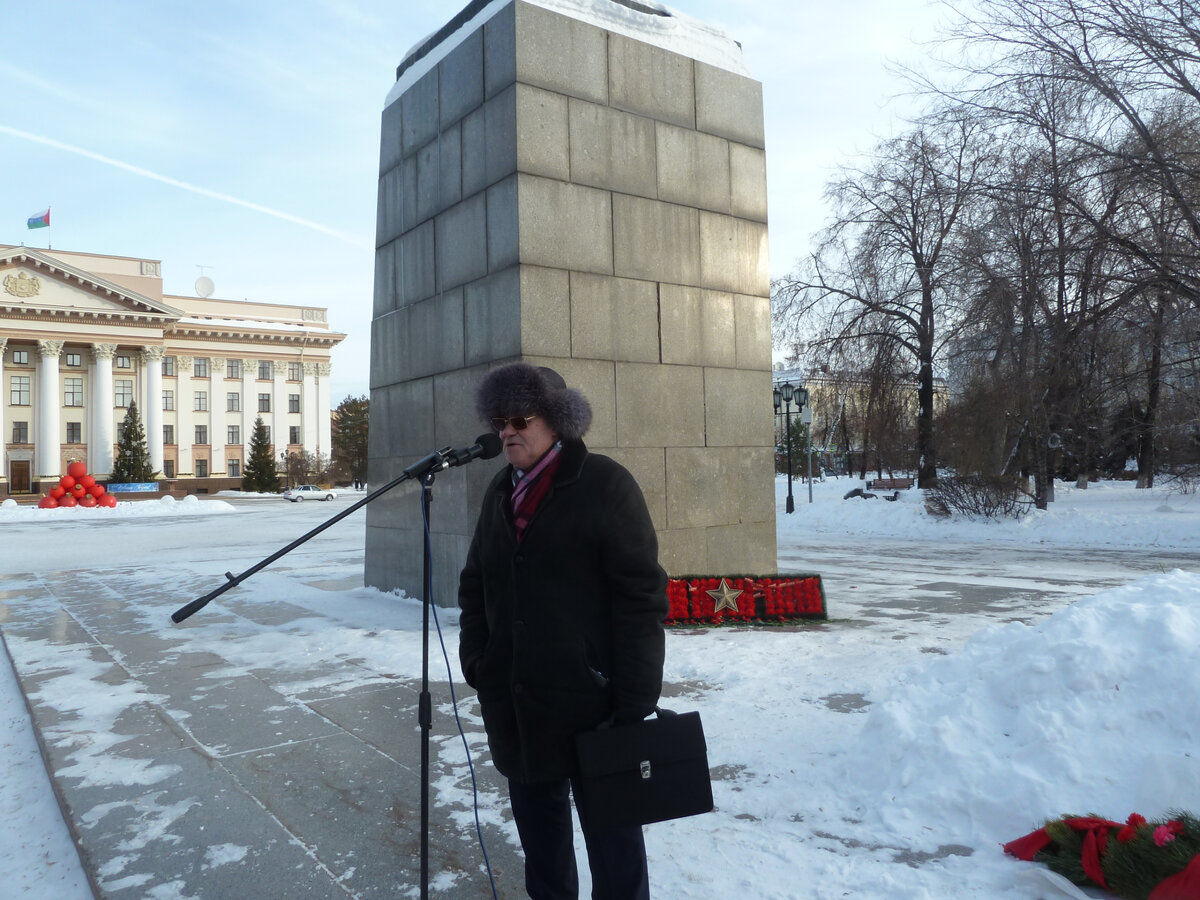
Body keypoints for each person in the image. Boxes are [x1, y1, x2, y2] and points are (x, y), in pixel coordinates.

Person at [458, 362, 668, 900]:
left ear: (556, 420)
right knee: (545, 863)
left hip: (593, 708)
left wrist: (633, 700)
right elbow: (475, 582)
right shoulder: (499, 493)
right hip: (520, 709)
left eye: (520, 418)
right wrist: (479, 660)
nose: (507, 431)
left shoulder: (605, 484)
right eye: (500, 419)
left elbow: (641, 596)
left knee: (616, 857)